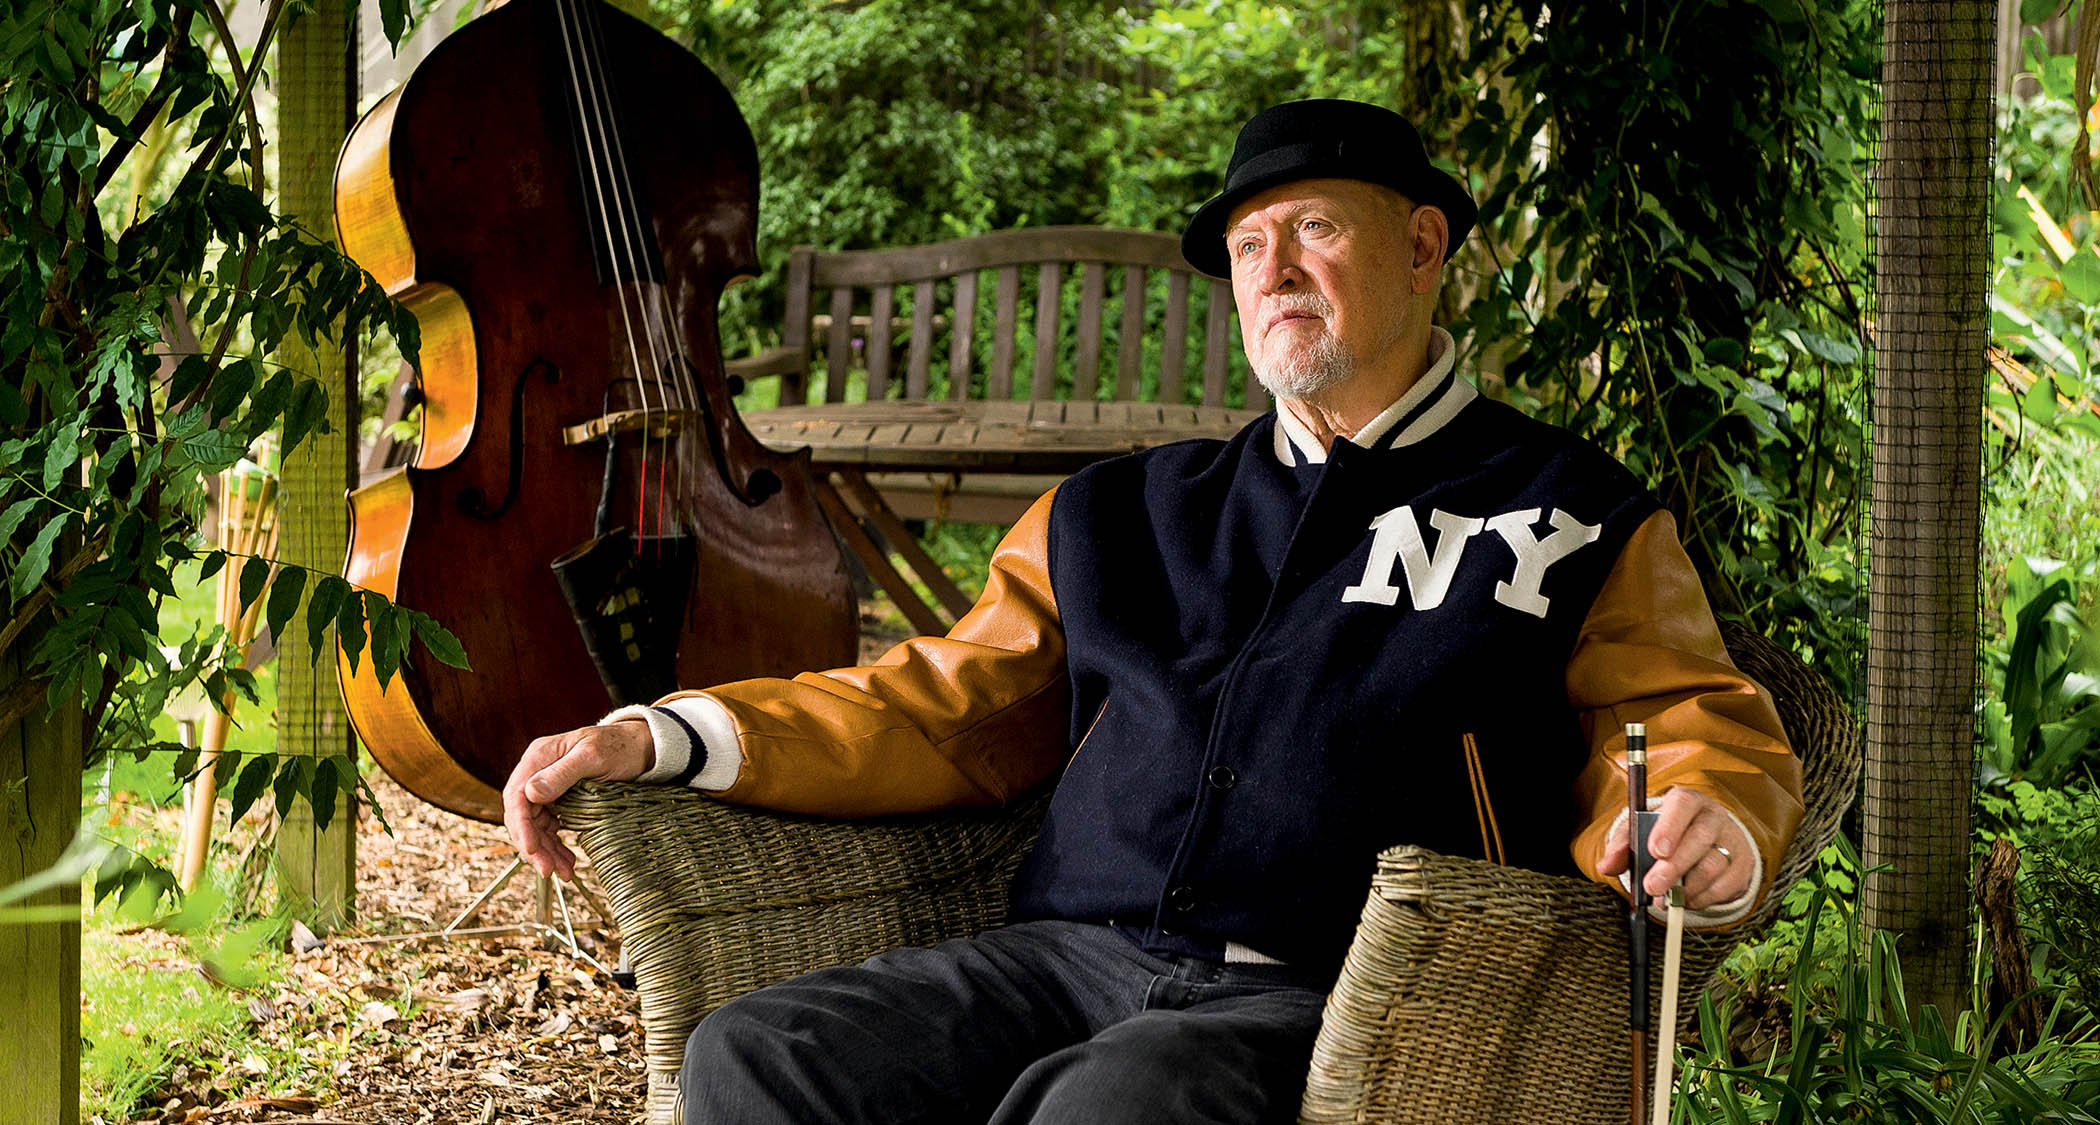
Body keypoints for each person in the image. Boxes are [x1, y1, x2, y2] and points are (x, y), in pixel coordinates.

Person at [503, 98, 1804, 1124]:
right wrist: (661, 733)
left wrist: (1700, 820)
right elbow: (938, 701)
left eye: (1315, 230)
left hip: (1334, 988)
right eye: (1248, 247)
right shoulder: (1117, 512)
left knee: (1108, 1108)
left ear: (1422, 246)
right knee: (760, 1054)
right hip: (1066, 959)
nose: (1275, 267)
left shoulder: (1569, 508)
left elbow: (1684, 713)